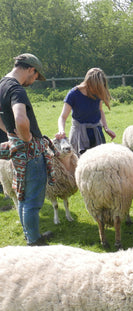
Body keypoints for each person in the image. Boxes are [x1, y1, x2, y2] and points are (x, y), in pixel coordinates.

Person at [0, 53, 55, 245]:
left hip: (18, 152)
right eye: (35, 77)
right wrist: (27, 138)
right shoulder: (16, 89)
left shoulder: (2, 84)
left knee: (23, 196)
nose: (33, 81)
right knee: (32, 201)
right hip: (31, 153)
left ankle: (30, 236)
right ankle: (34, 242)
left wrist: (10, 135)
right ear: (31, 69)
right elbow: (21, 118)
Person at [56, 67, 115, 154]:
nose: (97, 90)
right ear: (88, 82)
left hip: (96, 133)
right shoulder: (74, 94)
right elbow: (63, 117)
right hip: (79, 135)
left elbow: (100, 110)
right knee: (80, 163)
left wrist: (106, 128)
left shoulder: (97, 92)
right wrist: (61, 130)